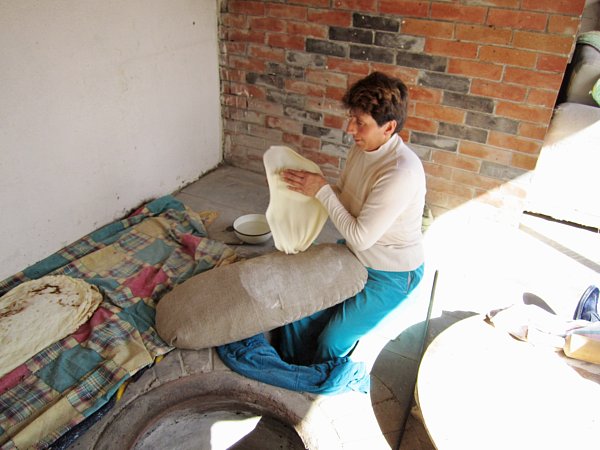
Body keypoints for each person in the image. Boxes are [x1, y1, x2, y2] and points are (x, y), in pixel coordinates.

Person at [279, 71, 426, 365]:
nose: (350, 129)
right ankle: (288, 371)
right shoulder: (363, 149)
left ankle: (315, 385)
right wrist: (313, 187)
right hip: (355, 254)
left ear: (389, 127)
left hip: (391, 273)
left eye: (360, 123)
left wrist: (321, 190)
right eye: (352, 118)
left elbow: (360, 234)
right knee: (296, 315)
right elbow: (344, 196)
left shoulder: (400, 172)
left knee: (332, 340)